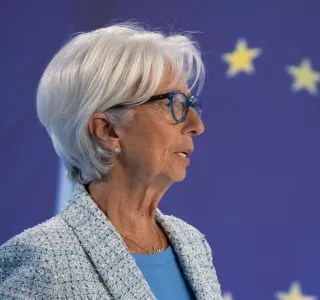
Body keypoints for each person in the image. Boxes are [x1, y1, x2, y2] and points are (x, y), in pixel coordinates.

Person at [0, 23, 222, 299]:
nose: (196, 125)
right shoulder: (41, 260)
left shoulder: (193, 245)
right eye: (172, 104)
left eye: (191, 105)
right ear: (108, 130)